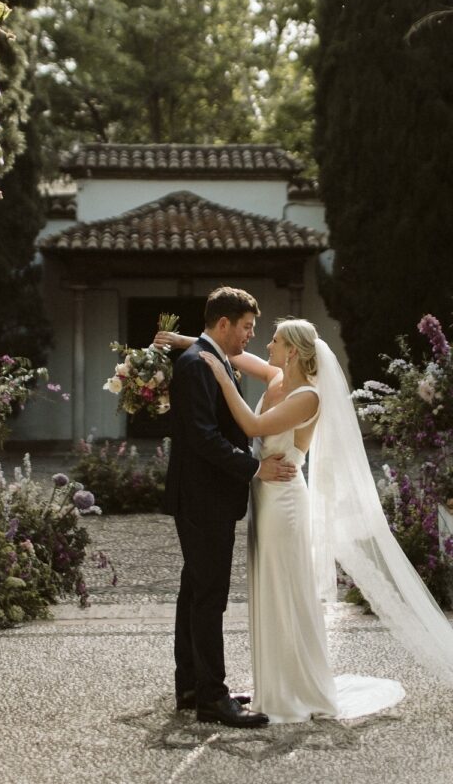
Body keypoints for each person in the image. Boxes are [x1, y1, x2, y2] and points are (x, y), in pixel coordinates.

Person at [160, 317, 453, 730]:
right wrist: (192, 345)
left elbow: (252, 422)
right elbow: (232, 356)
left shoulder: (308, 396)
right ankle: (274, 685)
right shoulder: (278, 379)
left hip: (285, 504)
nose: (265, 344)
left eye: (273, 340)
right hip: (266, 501)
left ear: (292, 351)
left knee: (286, 591)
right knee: (271, 590)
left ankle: (294, 690)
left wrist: (218, 377)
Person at [162, 286, 297, 729]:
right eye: (245, 328)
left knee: (195, 591)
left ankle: (192, 687)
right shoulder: (196, 366)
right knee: (209, 597)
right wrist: (254, 468)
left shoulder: (209, 359)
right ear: (223, 324)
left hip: (207, 496)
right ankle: (212, 699)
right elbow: (203, 437)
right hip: (203, 498)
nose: (249, 337)